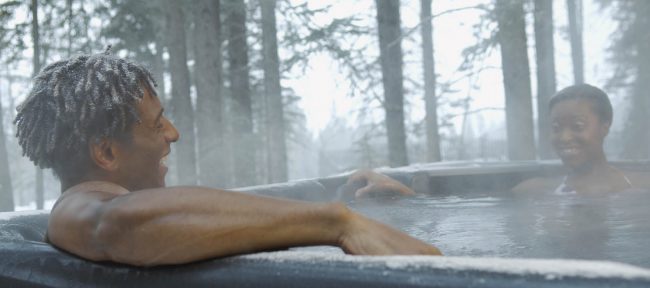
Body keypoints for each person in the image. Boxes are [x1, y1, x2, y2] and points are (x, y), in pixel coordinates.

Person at [13, 51, 441, 267]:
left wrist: (386, 203)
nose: (174, 133)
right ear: (106, 152)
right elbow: (113, 223)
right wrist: (337, 222)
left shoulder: (96, 209)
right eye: (157, 123)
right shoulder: (77, 213)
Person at [511, 84, 650, 194]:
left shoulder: (641, 187)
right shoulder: (533, 191)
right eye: (556, 128)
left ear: (605, 127)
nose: (564, 138)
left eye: (578, 126)